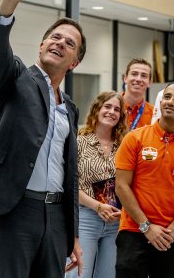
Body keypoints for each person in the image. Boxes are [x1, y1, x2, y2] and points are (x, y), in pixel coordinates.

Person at [0, 0, 86, 277]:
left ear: (74, 62)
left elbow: (69, 174)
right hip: (12, 211)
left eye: (69, 43)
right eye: (55, 37)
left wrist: (72, 234)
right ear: (42, 45)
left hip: (55, 217)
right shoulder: (16, 77)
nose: (59, 43)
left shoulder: (70, 108)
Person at [114, 81, 174, 277]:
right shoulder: (134, 138)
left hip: (172, 237)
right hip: (134, 231)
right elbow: (121, 186)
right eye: (167, 97)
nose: (171, 102)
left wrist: (172, 230)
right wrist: (146, 226)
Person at [66, 91, 127, 278]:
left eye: (117, 109)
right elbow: (70, 184)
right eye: (107, 107)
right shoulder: (79, 141)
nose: (111, 112)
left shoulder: (124, 145)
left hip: (115, 222)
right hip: (85, 218)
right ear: (97, 109)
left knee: (108, 275)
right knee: (78, 274)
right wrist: (97, 206)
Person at [122, 58, 154, 130]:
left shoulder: (154, 115)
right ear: (125, 78)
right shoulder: (111, 108)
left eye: (144, 76)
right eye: (134, 74)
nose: (138, 79)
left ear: (149, 82)